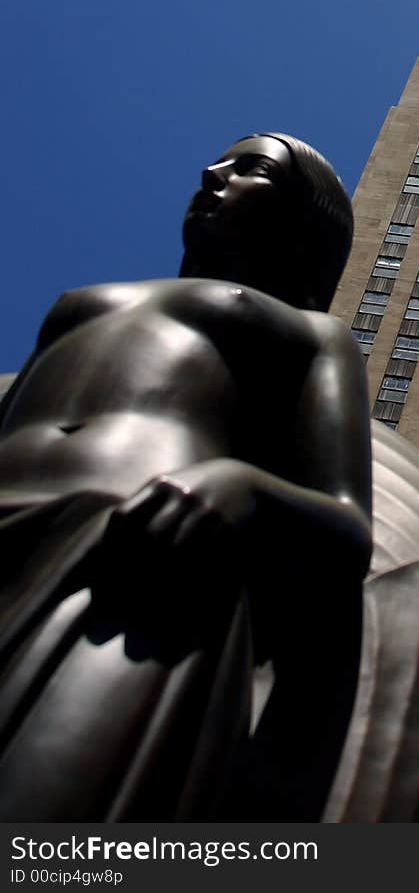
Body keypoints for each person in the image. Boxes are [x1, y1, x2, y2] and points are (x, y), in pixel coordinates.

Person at [0, 133, 372, 820]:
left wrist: (241, 489)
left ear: (302, 222)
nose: (212, 172)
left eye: (251, 168)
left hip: (139, 562)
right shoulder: (81, 303)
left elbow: (348, 524)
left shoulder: (313, 334)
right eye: (221, 162)